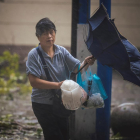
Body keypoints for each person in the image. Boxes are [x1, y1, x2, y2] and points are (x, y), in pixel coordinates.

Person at [26, 17, 95, 140]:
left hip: (62, 102)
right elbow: (34, 82)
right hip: (42, 104)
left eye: (51, 32)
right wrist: (58, 85)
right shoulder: (34, 55)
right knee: (54, 136)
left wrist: (86, 62)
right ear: (38, 37)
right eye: (45, 33)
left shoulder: (61, 51)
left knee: (64, 135)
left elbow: (76, 68)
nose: (49, 36)